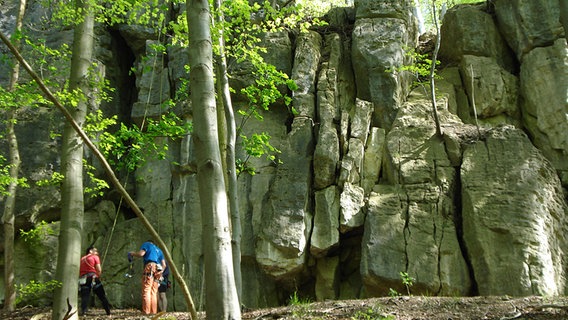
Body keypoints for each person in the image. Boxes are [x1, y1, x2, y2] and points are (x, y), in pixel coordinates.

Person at [128, 240, 166, 314]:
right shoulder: (159, 250)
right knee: (154, 292)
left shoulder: (147, 244)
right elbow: (164, 265)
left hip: (150, 267)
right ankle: (153, 312)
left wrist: (132, 253)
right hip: (158, 269)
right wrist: (161, 272)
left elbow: (141, 254)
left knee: (146, 290)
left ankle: (146, 312)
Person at [79, 246, 111, 316]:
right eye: (95, 251)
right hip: (92, 278)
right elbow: (99, 269)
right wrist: (98, 276)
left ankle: (83, 312)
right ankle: (108, 312)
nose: (97, 253)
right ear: (90, 251)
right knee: (102, 295)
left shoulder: (82, 259)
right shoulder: (94, 257)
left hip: (83, 279)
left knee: (85, 296)